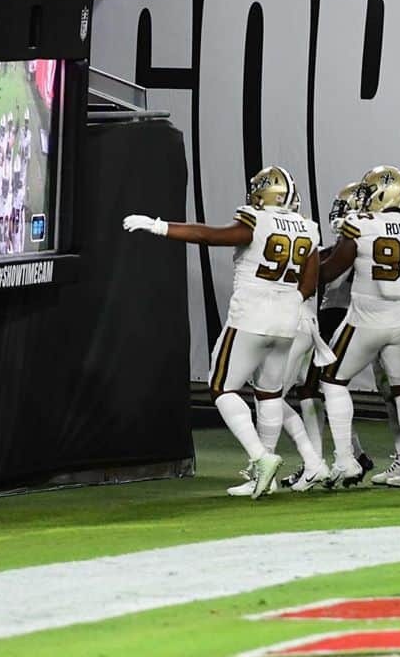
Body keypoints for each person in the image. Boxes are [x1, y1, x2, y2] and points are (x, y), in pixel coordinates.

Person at [123, 166, 321, 498]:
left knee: (222, 388)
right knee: (270, 395)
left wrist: (158, 227)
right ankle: (266, 479)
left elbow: (209, 236)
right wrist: (281, 302)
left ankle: (260, 458)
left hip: (251, 317)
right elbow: (310, 284)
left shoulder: (256, 220)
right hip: (288, 321)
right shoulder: (309, 229)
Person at [315, 166, 400, 488]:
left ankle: (346, 460)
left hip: (367, 320)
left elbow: (330, 272)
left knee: (332, 380)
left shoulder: (360, 225)